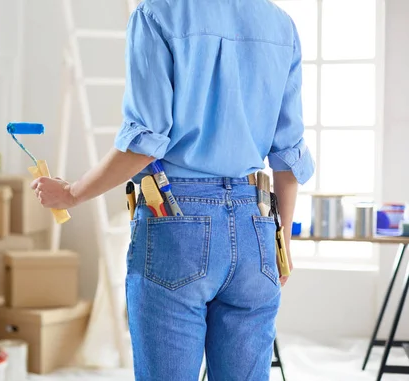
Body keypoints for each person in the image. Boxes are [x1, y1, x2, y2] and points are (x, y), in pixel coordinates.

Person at [31, 0, 315, 379]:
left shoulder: (157, 14)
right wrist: (281, 243)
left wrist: (71, 193)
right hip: (257, 226)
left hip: (177, 221)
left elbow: (144, 143)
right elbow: (288, 154)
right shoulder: (280, 25)